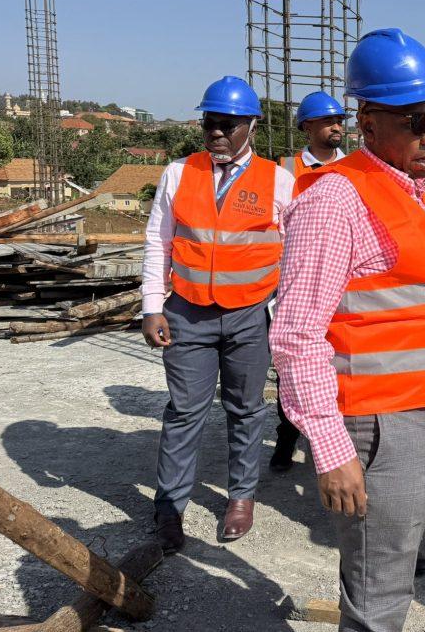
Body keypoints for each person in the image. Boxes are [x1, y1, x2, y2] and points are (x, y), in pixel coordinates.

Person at [270, 28, 425, 632]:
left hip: (424, 412)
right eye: (415, 122)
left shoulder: (419, 192)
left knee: (388, 572)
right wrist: (331, 451)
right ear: (367, 120)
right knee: (378, 598)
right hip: (377, 427)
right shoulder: (336, 200)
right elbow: (296, 336)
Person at [142, 75, 294, 553]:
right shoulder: (177, 173)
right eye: (210, 123)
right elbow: (156, 242)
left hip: (250, 316)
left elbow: (294, 254)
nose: (217, 133)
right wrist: (151, 306)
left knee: (246, 410)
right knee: (184, 412)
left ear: (251, 126)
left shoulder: (278, 181)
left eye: (228, 125)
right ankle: (170, 507)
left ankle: (241, 499)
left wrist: (282, 313)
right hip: (186, 313)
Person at [271, 90, 348, 472]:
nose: (337, 127)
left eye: (339, 121)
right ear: (307, 127)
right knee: (292, 367)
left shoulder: (353, 169)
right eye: (328, 121)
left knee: (336, 368)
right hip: (297, 283)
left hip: (340, 285)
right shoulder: (285, 170)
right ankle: (285, 440)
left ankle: (333, 446)